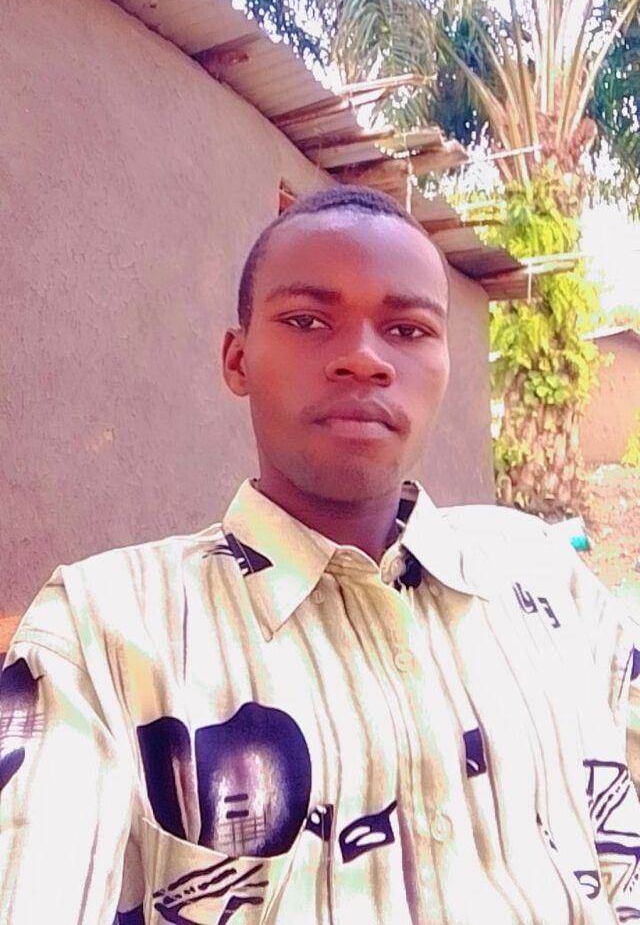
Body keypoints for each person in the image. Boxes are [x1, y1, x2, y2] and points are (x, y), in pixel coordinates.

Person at [0, 185, 638, 925]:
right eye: (307, 321)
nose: (363, 359)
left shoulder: (546, 579)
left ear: (445, 366)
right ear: (237, 360)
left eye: (407, 329)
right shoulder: (100, 632)